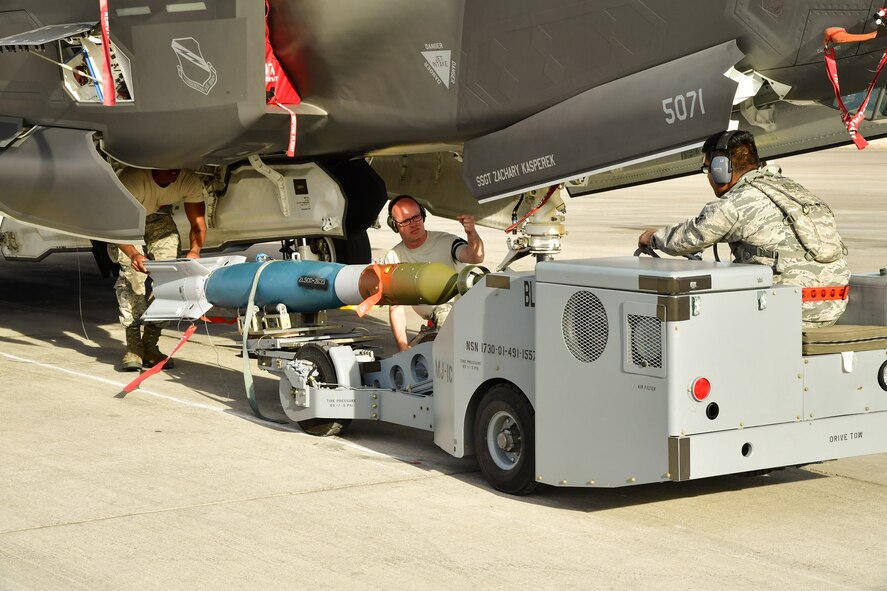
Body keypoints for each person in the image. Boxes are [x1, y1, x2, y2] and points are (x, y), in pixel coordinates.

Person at [638, 130, 850, 328]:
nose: (708, 176)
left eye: (707, 168)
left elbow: (688, 239)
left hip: (789, 310)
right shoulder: (791, 188)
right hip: (833, 306)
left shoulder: (736, 203)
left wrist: (653, 237)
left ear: (720, 169)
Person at [108, 168, 207, 371]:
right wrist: (134, 254)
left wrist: (195, 250)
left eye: (177, 167)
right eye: (167, 167)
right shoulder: (132, 180)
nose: (174, 172)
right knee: (132, 280)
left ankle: (150, 344)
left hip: (159, 218)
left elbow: (198, 224)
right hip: (127, 224)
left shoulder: (188, 180)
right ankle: (134, 347)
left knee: (171, 279)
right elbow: (113, 226)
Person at [383, 195, 484, 351]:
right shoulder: (393, 257)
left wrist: (471, 233)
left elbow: (476, 256)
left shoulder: (446, 241)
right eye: (405, 221)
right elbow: (396, 308)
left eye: (416, 217)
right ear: (395, 225)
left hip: (462, 318)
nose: (413, 224)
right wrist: (403, 348)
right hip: (436, 324)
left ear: (423, 215)